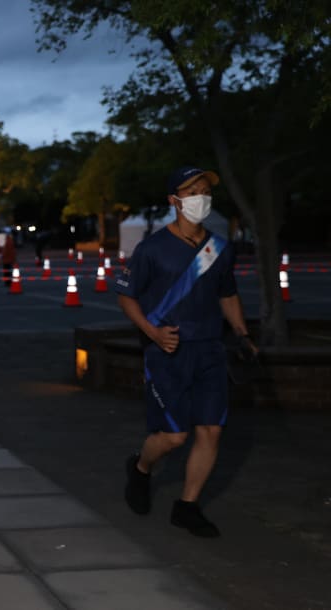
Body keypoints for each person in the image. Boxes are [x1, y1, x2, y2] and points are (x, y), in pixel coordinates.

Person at [116, 166, 257, 538]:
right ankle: (141, 468)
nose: (201, 197)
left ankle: (187, 506)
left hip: (210, 349)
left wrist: (241, 332)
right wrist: (153, 333)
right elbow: (126, 297)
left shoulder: (219, 249)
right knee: (174, 436)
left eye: (205, 190)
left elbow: (227, 293)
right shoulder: (152, 249)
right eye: (192, 191)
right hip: (168, 351)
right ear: (174, 201)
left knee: (211, 430)